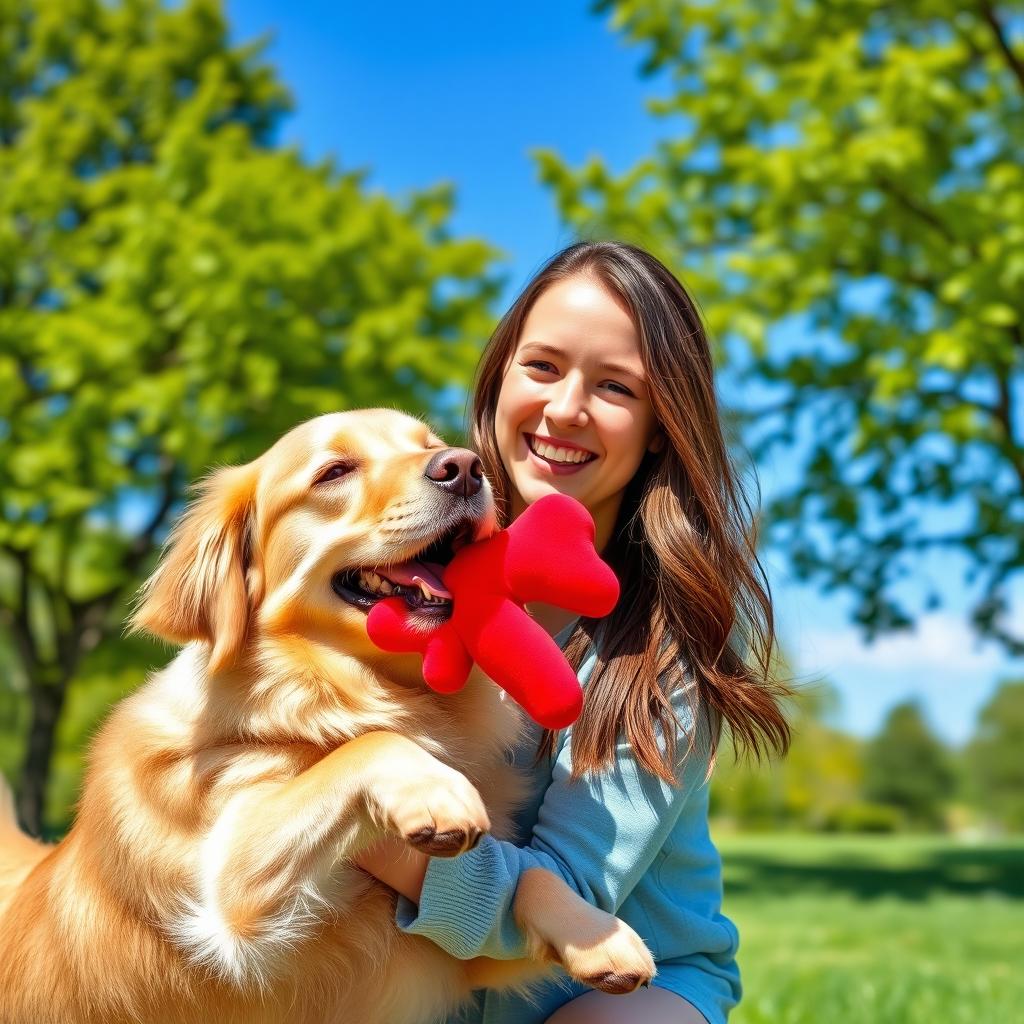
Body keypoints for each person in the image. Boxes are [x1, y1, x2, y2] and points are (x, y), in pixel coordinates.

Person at [356, 240, 790, 1023]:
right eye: (544, 367)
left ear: (660, 426)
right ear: (498, 383)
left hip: (614, 982)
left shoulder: (664, 657)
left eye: (616, 386)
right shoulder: (407, 571)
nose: (565, 409)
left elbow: (567, 912)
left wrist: (334, 822)